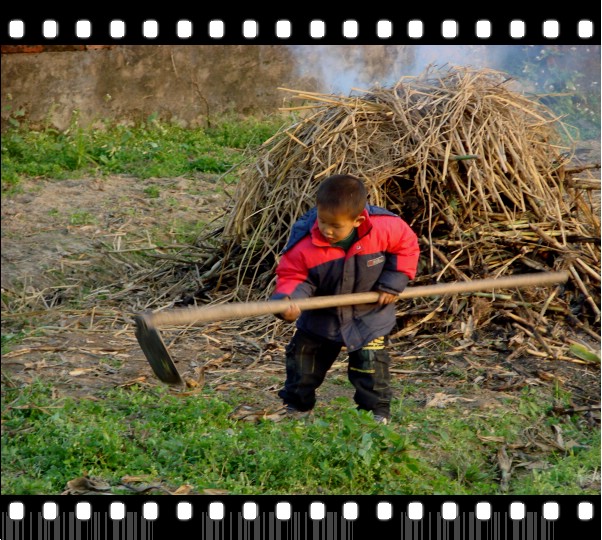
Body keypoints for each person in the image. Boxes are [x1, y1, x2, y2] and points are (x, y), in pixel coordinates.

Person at [270, 174, 420, 424]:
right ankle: (297, 408)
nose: (326, 230)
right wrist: (289, 301)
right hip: (321, 317)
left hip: (369, 314)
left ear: (358, 219)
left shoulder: (386, 227)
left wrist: (393, 283)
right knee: (302, 363)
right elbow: (293, 275)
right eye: (322, 220)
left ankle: (375, 415)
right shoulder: (305, 240)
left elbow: (407, 247)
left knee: (371, 367)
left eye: (335, 226)